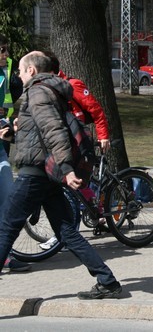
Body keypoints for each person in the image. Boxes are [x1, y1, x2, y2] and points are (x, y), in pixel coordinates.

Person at [0, 51, 122, 299]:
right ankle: (107, 281)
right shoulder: (52, 91)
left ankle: (107, 281)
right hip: (46, 173)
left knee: (6, 228)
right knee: (66, 231)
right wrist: (12, 134)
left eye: (21, 70)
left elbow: (54, 131)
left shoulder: (37, 91)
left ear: (32, 71)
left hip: (35, 173)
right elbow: (40, 132)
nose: (19, 75)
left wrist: (66, 169)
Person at [0, 37, 30, 271]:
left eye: (7, 49)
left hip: (1, 148)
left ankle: (5, 255)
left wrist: (10, 123)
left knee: (8, 197)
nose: (6, 54)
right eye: (2, 50)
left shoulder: (5, 72)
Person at [46, 52, 110, 152]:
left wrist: (103, 136)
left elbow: (96, 111)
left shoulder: (72, 85)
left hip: (75, 139)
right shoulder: (42, 89)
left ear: (49, 72)